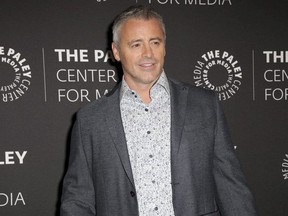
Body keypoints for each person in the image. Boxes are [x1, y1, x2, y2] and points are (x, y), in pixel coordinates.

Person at [60, 5, 258, 216]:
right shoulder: (90, 119)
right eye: (136, 44)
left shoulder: (204, 105)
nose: (148, 54)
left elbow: (231, 186)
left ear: (164, 46)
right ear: (116, 51)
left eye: (155, 42)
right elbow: (78, 200)